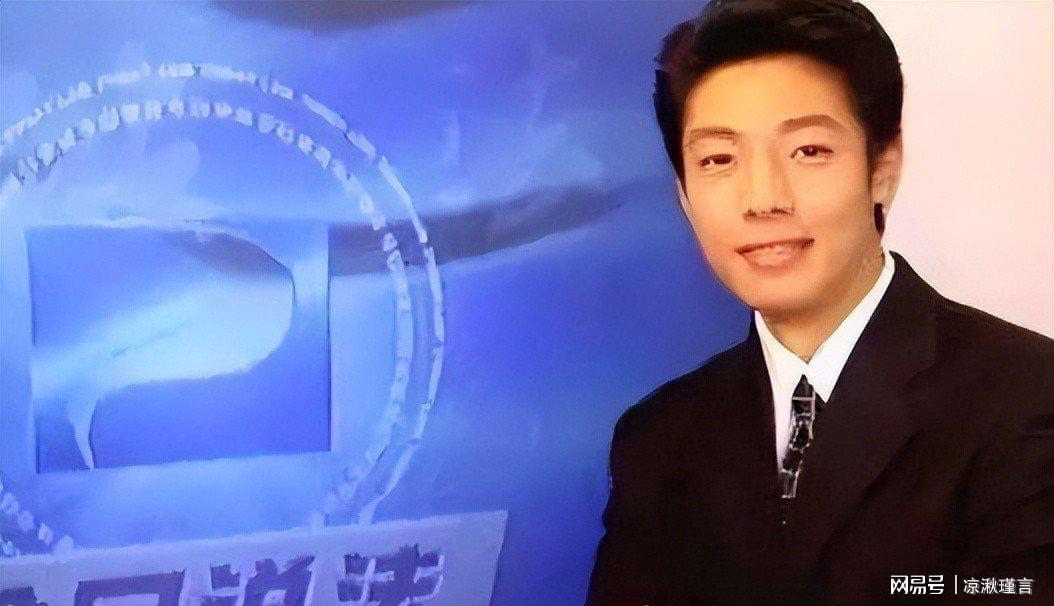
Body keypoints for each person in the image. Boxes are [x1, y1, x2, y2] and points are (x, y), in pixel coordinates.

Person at [586, 1, 1054, 604]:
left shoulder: (1027, 397)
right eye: (719, 160)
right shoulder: (656, 439)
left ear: (883, 168)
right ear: (684, 194)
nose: (763, 199)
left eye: (807, 151)